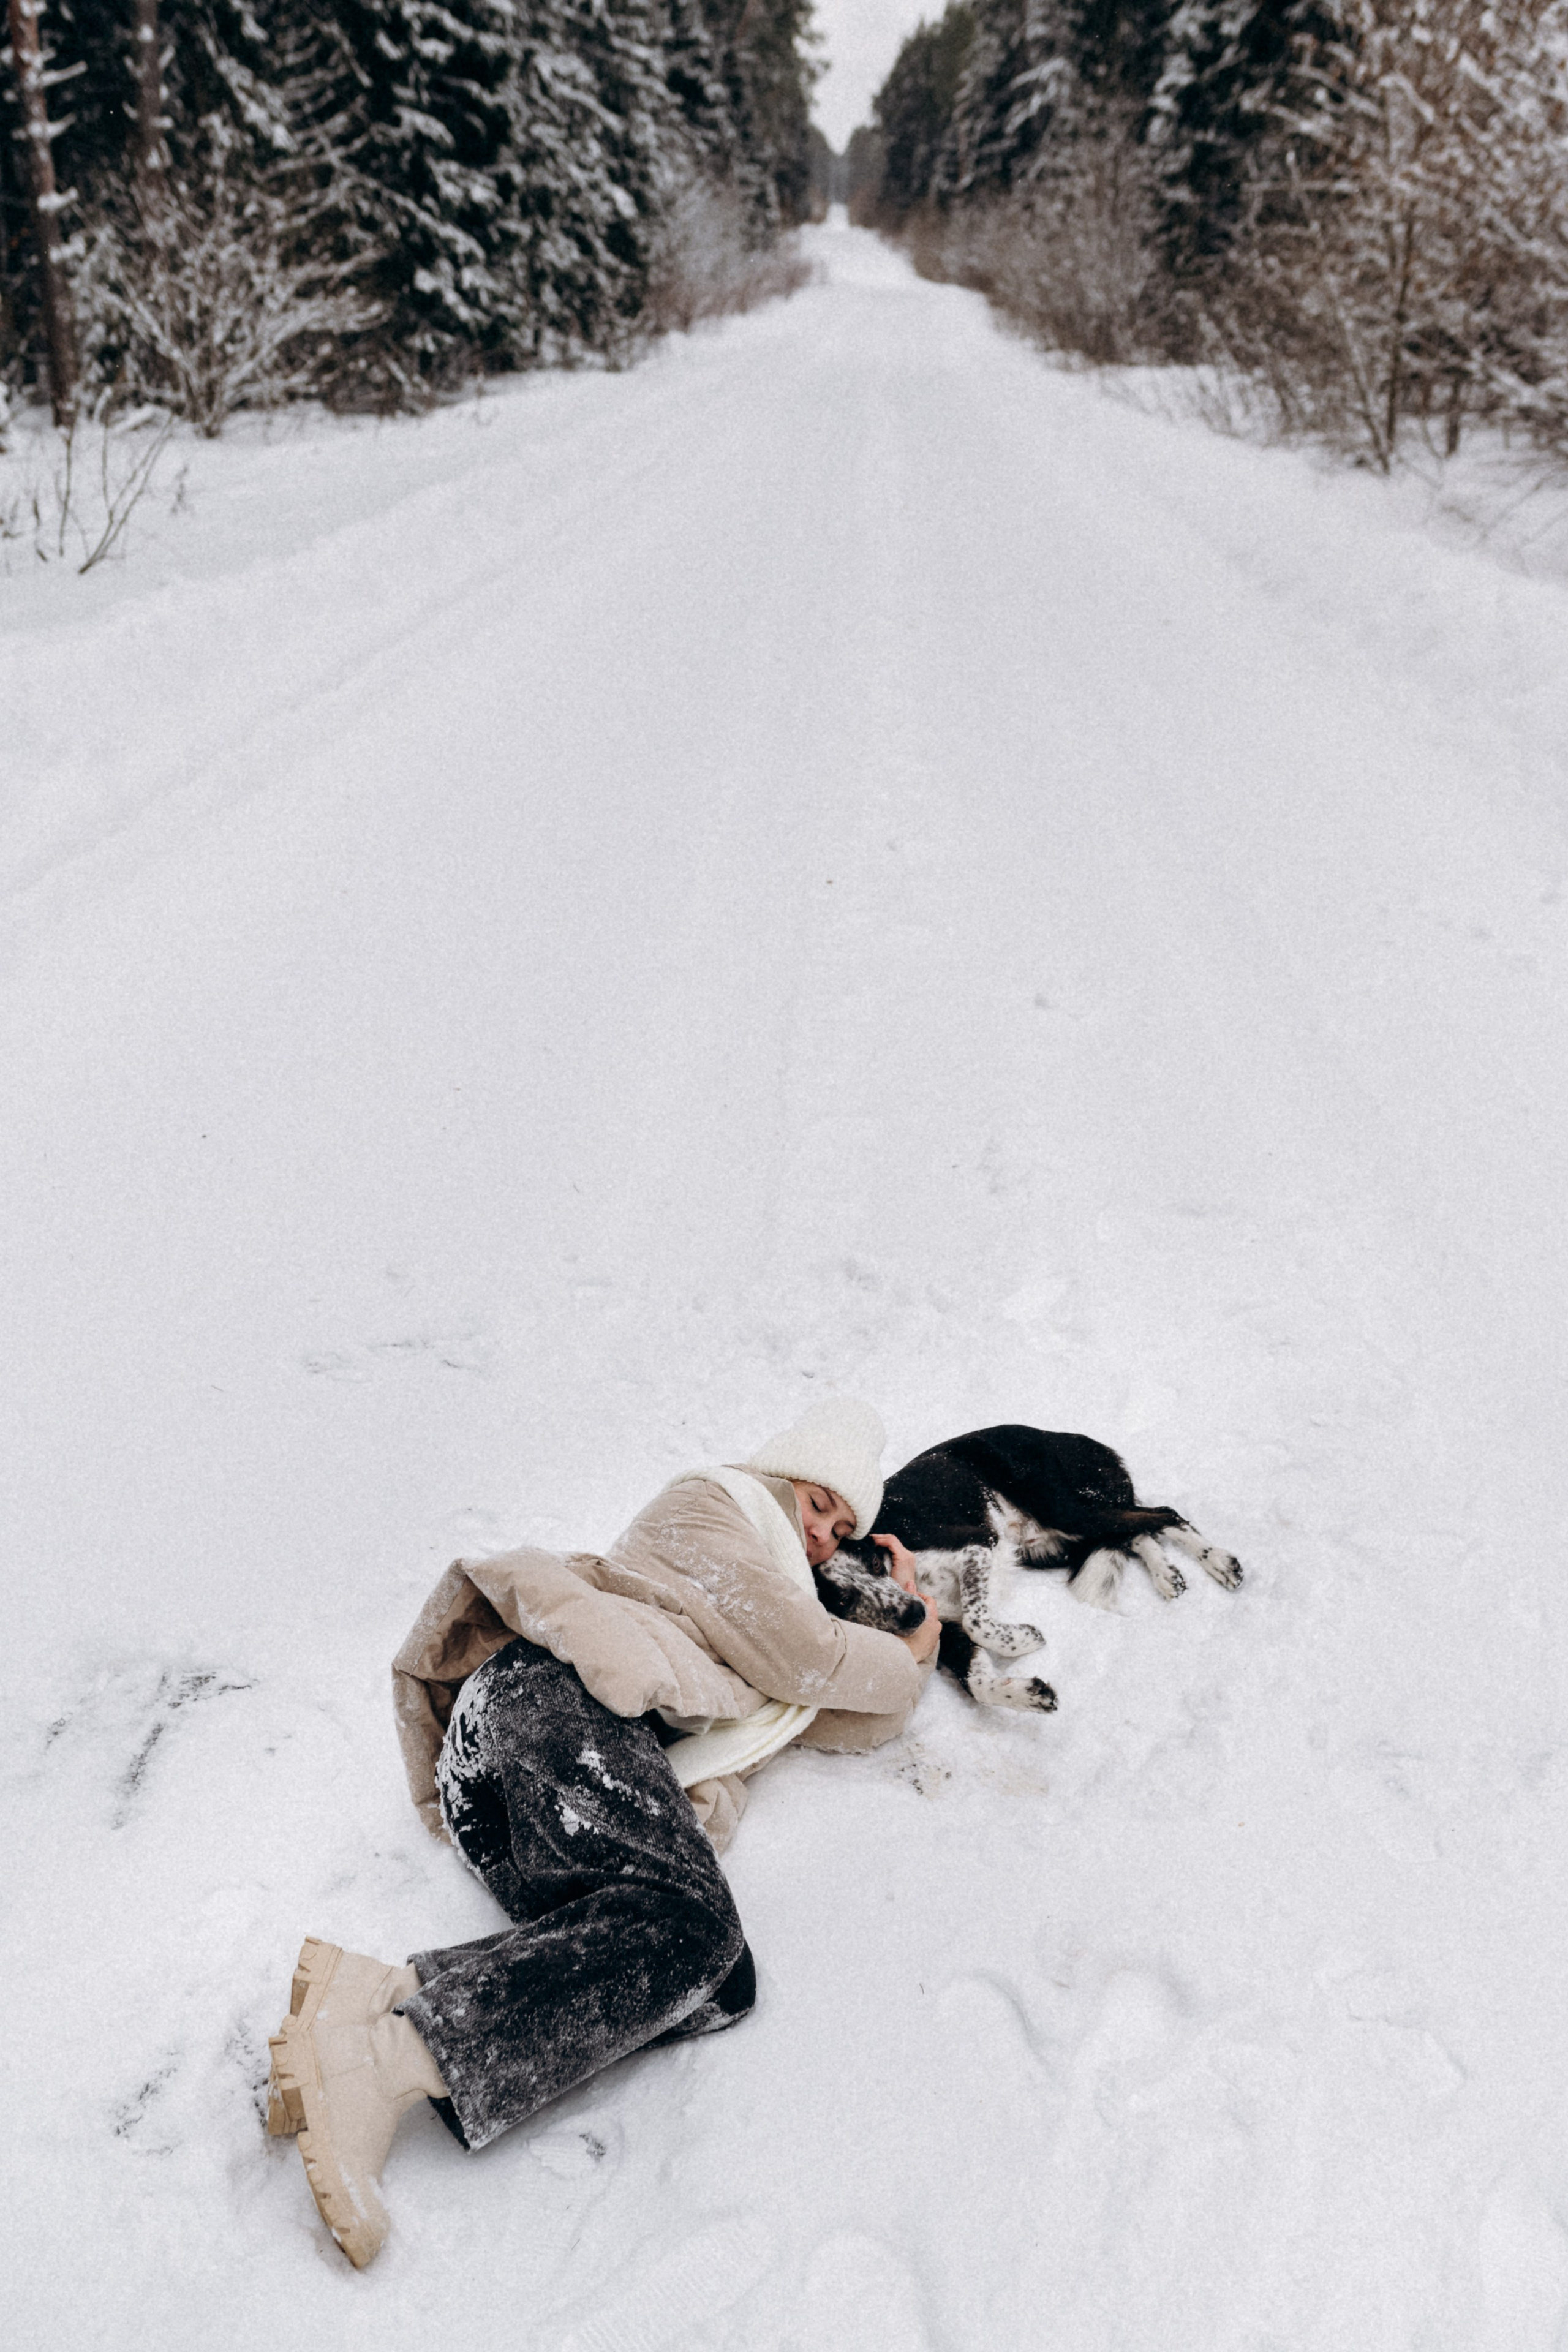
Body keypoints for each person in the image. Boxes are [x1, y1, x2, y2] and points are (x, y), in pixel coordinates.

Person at [268, 1396, 940, 2267]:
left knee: (718, 1982)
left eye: (842, 1531)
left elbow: (856, 1712)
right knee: (695, 1928)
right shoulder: (711, 1506)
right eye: (818, 1506)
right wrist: (914, 1636)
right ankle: (386, 2062)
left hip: (534, 1787)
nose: (820, 1538)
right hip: (541, 1702)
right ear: (780, 1474)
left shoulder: (760, 1630)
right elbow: (816, 1659)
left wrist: (908, 1640)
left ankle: (383, 1997)